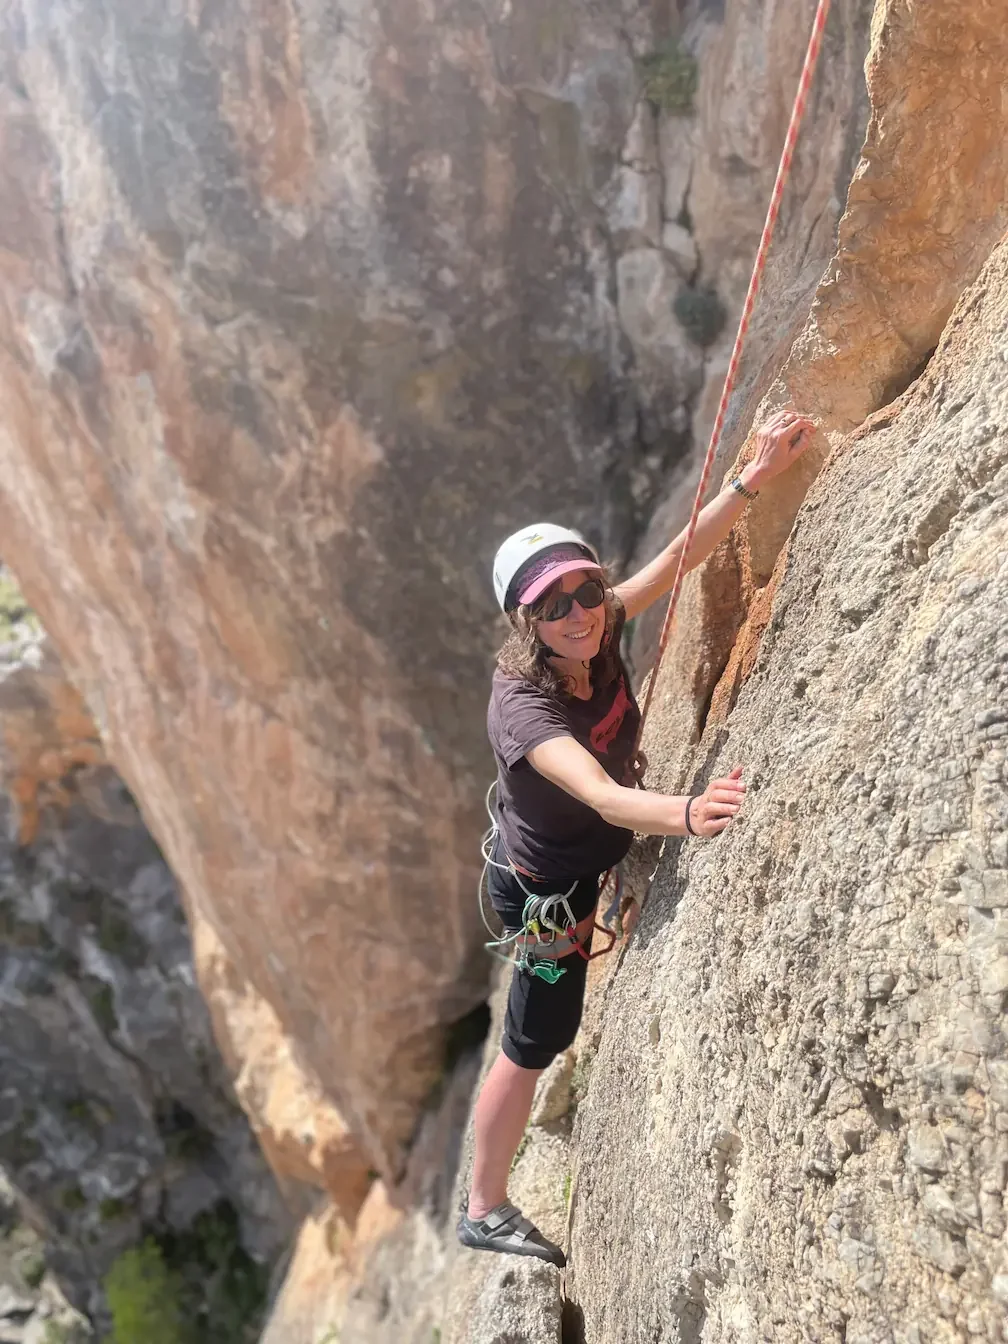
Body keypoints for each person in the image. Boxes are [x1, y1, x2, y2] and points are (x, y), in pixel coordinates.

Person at [456, 409, 816, 1268]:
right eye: (554, 605)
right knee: (536, 1036)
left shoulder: (600, 622)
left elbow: (674, 563)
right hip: (547, 893)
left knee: (547, 1022)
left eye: (585, 590)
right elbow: (599, 795)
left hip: (585, 859)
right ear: (525, 621)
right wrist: (689, 814)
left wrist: (749, 479)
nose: (580, 613)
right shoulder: (525, 708)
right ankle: (483, 1204)